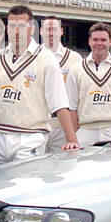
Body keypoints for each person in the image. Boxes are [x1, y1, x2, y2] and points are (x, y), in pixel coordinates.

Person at [0, 4, 77, 167]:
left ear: (31, 28)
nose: (16, 31)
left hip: (30, 136)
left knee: (23, 186)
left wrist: (72, 140)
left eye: (21, 26)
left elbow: (60, 104)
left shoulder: (46, 58)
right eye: (12, 26)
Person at [70, 22, 111, 146]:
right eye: (95, 40)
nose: (99, 43)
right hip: (85, 131)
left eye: (103, 40)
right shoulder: (77, 69)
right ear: (89, 41)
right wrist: (74, 134)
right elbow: (72, 107)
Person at [40, 16, 83, 153]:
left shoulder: (75, 58)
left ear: (62, 31)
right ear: (41, 31)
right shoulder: (33, 56)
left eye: (54, 29)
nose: (51, 33)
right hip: (39, 121)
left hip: (63, 124)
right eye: (47, 29)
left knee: (60, 166)